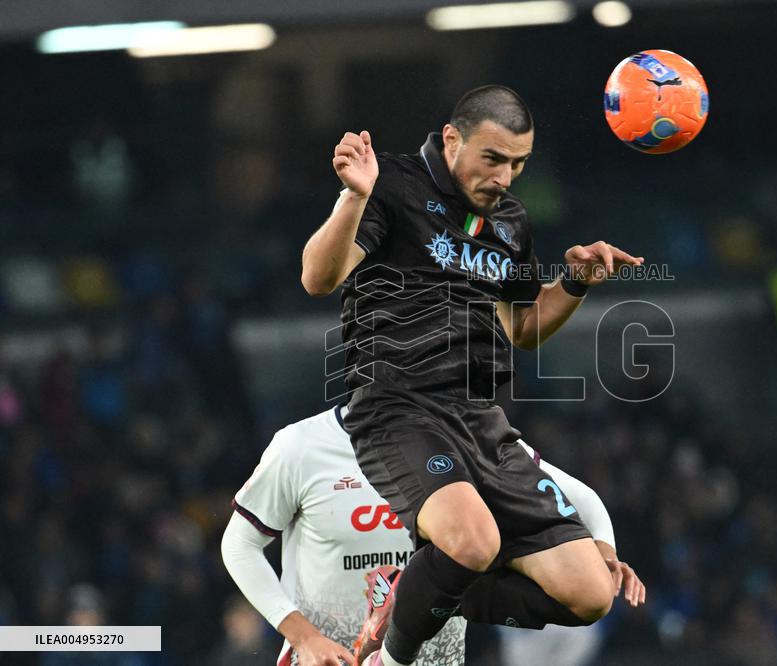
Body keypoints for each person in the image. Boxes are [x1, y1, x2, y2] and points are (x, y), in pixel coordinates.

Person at [300, 85, 645, 666]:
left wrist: (576, 283)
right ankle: (390, 658)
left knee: (591, 595)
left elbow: (522, 327)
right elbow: (317, 277)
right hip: (398, 410)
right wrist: (352, 199)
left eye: (519, 164)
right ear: (453, 140)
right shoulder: (391, 184)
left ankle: (415, 594)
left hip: (480, 419)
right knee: (472, 542)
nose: (506, 177)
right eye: (494, 159)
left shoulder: (510, 221)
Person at [221, 403, 645, 666]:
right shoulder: (302, 446)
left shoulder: (469, 442)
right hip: (330, 658)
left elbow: (581, 499)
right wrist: (303, 636)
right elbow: (239, 544)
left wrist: (603, 554)